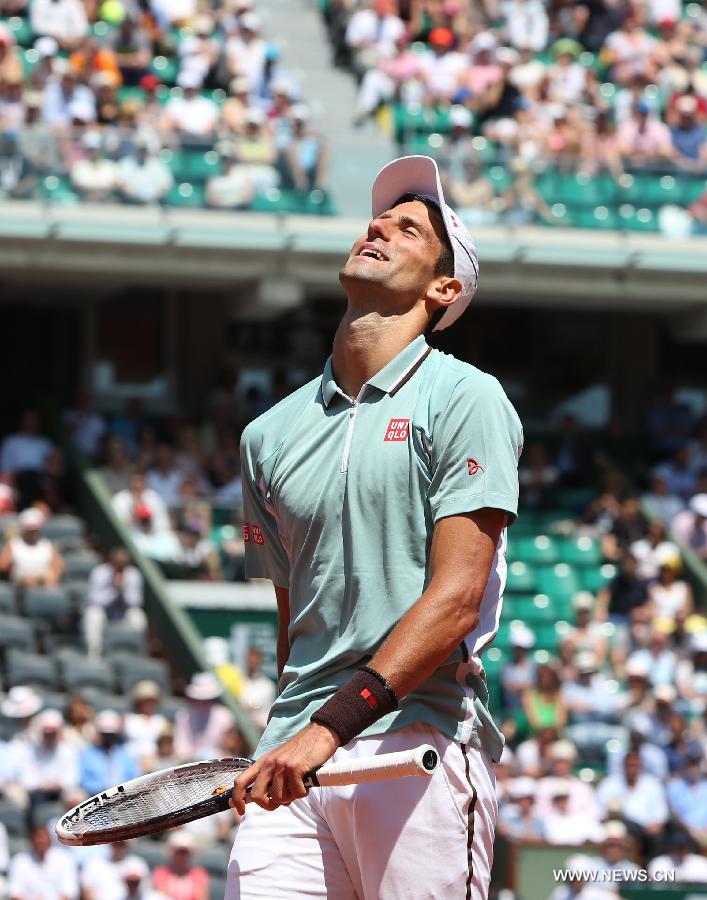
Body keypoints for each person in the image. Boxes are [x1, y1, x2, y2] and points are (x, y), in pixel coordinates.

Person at [227, 155, 522, 899]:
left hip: (415, 739)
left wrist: (331, 726)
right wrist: (292, 737)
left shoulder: (467, 397)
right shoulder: (266, 435)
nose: (378, 226)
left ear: (443, 288)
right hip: (295, 758)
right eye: (378, 218)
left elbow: (456, 599)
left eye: (408, 228)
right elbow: (294, 624)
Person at [84, 548, 146, 657]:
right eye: (117, 563)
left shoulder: (133, 574)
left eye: (123, 564)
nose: (120, 566)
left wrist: (122, 590)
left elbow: (137, 601)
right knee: (93, 614)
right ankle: (94, 654)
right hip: (104, 611)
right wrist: (113, 590)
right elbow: (93, 599)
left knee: (138, 616)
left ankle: (138, 655)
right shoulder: (100, 572)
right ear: (111, 560)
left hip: (124, 611)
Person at [78, 710, 140, 797]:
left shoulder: (126, 754)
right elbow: (83, 781)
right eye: (105, 734)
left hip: (125, 797)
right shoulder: (87, 754)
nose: (108, 738)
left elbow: (135, 778)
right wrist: (106, 789)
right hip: (95, 798)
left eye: (111, 735)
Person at [8, 823, 78, 900]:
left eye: (44, 837)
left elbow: (69, 893)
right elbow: (15, 894)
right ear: (31, 840)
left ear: (50, 839)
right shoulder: (19, 861)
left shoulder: (64, 859)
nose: (41, 841)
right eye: (38, 837)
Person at [174, 672, 234, 761]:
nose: (203, 703)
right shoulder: (184, 716)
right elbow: (180, 748)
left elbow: (229, 746)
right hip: (191, 764)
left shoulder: (224, 716)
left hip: (219, 763)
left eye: (207, 699)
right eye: (200, 699)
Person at [0, 507, 64, 587]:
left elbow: (59, 567)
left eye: (35, 530)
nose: (32, 533)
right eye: (29, 530)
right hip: (20, 583)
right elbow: (3, 566)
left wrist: (44, 577)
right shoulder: (14, 544)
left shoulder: (46, 545)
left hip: (43, 581)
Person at [152, 831, 209, 900]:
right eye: (178, 852)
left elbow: (201, 897)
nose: (181, 856)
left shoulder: (199, 873)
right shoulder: (160, 872)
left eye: (184, 852)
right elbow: (160, 895)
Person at [239, 647, 276, 731]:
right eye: (250, 660)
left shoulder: (267, 685)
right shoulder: (238, 681)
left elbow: (267, 714)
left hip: (259, 731)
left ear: (260, 662)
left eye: (255, 661)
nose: (252, 664)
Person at [671, 494, 707, 561]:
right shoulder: (681, 521)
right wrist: (697, 552)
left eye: (704, 517)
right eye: (701, 515)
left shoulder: (705, 525)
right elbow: (679, 546)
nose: (703, 519)